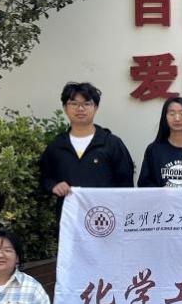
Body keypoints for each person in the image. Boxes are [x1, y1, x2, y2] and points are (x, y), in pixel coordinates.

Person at [39, 81, 134, 216]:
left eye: (86, 104)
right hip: (69, 219)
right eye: (74, 104)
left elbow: (126, 184)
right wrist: (54, 186)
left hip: (105, 218)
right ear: (65, 108)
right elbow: (45, 177)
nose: (80, 108)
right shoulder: (57, 145)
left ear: (95, 107)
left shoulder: (111, 143)